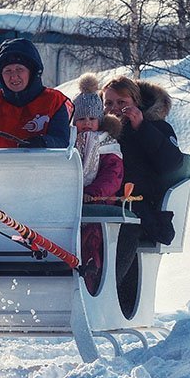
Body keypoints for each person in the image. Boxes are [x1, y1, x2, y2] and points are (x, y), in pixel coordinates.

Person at [101, 75, 185, 316]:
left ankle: (106, 295)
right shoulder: (101, 130)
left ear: (136, 102)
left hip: (141, 208)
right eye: (109, 103)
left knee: (126, 229)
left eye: (121, 102)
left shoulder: (157, 127)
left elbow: (172, 164)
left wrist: (142, 128)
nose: (115, 109)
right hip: (104, 204)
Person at [0, 38, 71, 149]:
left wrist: (42, 142)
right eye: (8, 70)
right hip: (2, 166)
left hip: (44, 166)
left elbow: (62, 140)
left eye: (19, 69)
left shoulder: (54, 101)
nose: (13, 76)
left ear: (32, 72)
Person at [72, 74, 123, 293]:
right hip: (71, 202)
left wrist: (92, 193)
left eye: (92, 119)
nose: (87, 124)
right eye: (82, 119)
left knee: (91, 241)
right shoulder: (69, 142)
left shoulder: (107, 143)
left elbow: (112, 176)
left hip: (97, 203)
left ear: (99, 120)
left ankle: (91, 283)